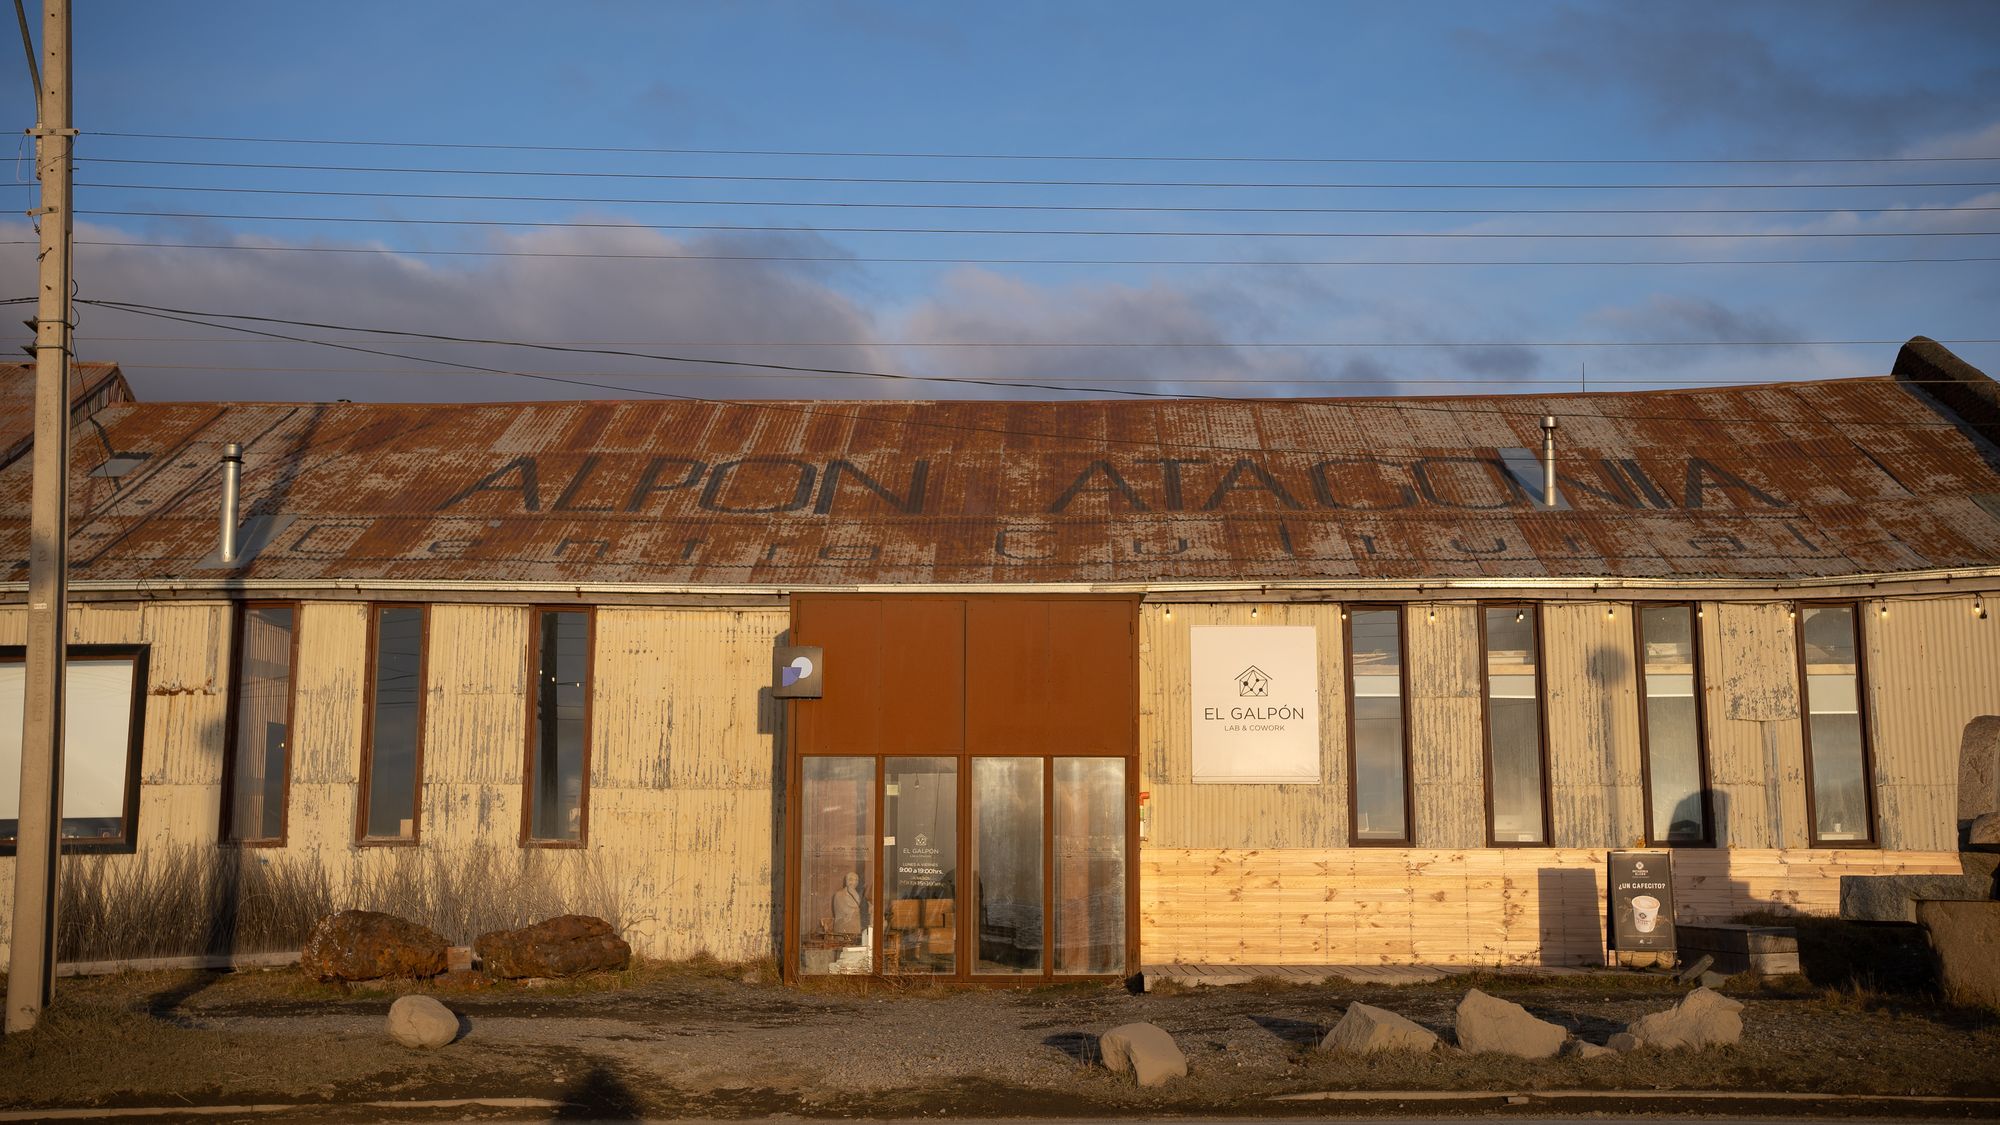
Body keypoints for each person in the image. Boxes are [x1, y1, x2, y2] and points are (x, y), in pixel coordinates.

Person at [832, 871, 865, 936]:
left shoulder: (857, 894)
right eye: (851, 879)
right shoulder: (839, 895)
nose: (854, 882)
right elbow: (846, 910)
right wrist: (860, 910)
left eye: (856, 880)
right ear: (846, 881)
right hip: (844, 927)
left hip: (856, 928)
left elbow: (865, 906)